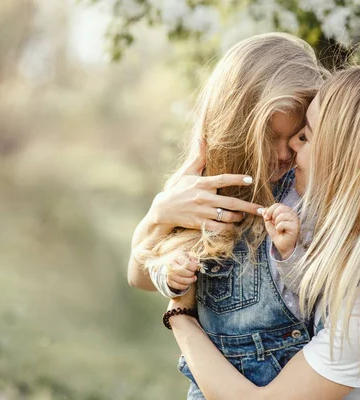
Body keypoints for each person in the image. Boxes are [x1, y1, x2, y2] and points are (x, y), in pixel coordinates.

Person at [165, 66, 360, 400]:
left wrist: (180, 315)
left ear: (344, 161)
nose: (293, 147)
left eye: (306, 135)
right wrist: (162, 212)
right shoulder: (348, 234)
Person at [127, 32, 328, 398]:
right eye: (269, 136)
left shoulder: (304, 193)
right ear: (237, 126)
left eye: (297, 136)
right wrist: (162, 220)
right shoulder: (201, 190)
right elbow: (139, 274)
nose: (285, 154)